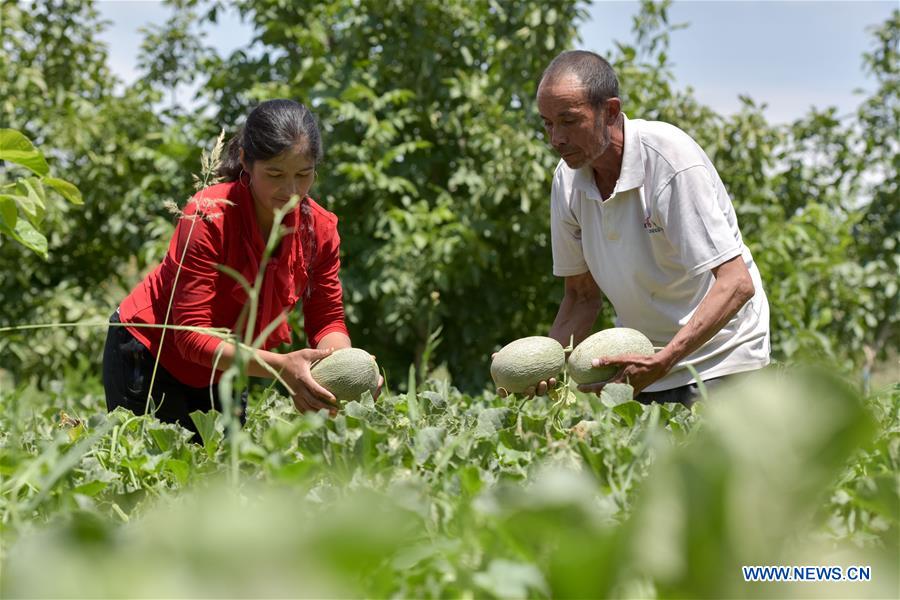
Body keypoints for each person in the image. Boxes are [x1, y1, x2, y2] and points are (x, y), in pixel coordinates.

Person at [103, 99, 378, 437]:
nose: (291, 191)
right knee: (154, 480)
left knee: (223, 481)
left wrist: (349, 370)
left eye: (303, 175)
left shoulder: (319, 230)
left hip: (227, 364)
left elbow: (326, 318)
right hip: (148, 353)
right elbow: (189, 335)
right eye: (275, 174)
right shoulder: (208, 215)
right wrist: (281, 368)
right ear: (247, 161)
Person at [534, 50, 770, 406]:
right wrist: (541, 368)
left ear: (610, 112)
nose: (556, 139)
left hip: (722, 359)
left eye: (568, 121)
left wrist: (664, 360)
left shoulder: (670, 161)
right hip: (643, 367)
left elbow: (737, 283)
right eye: (547, 124)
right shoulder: (567, 182)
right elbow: (582, 298)